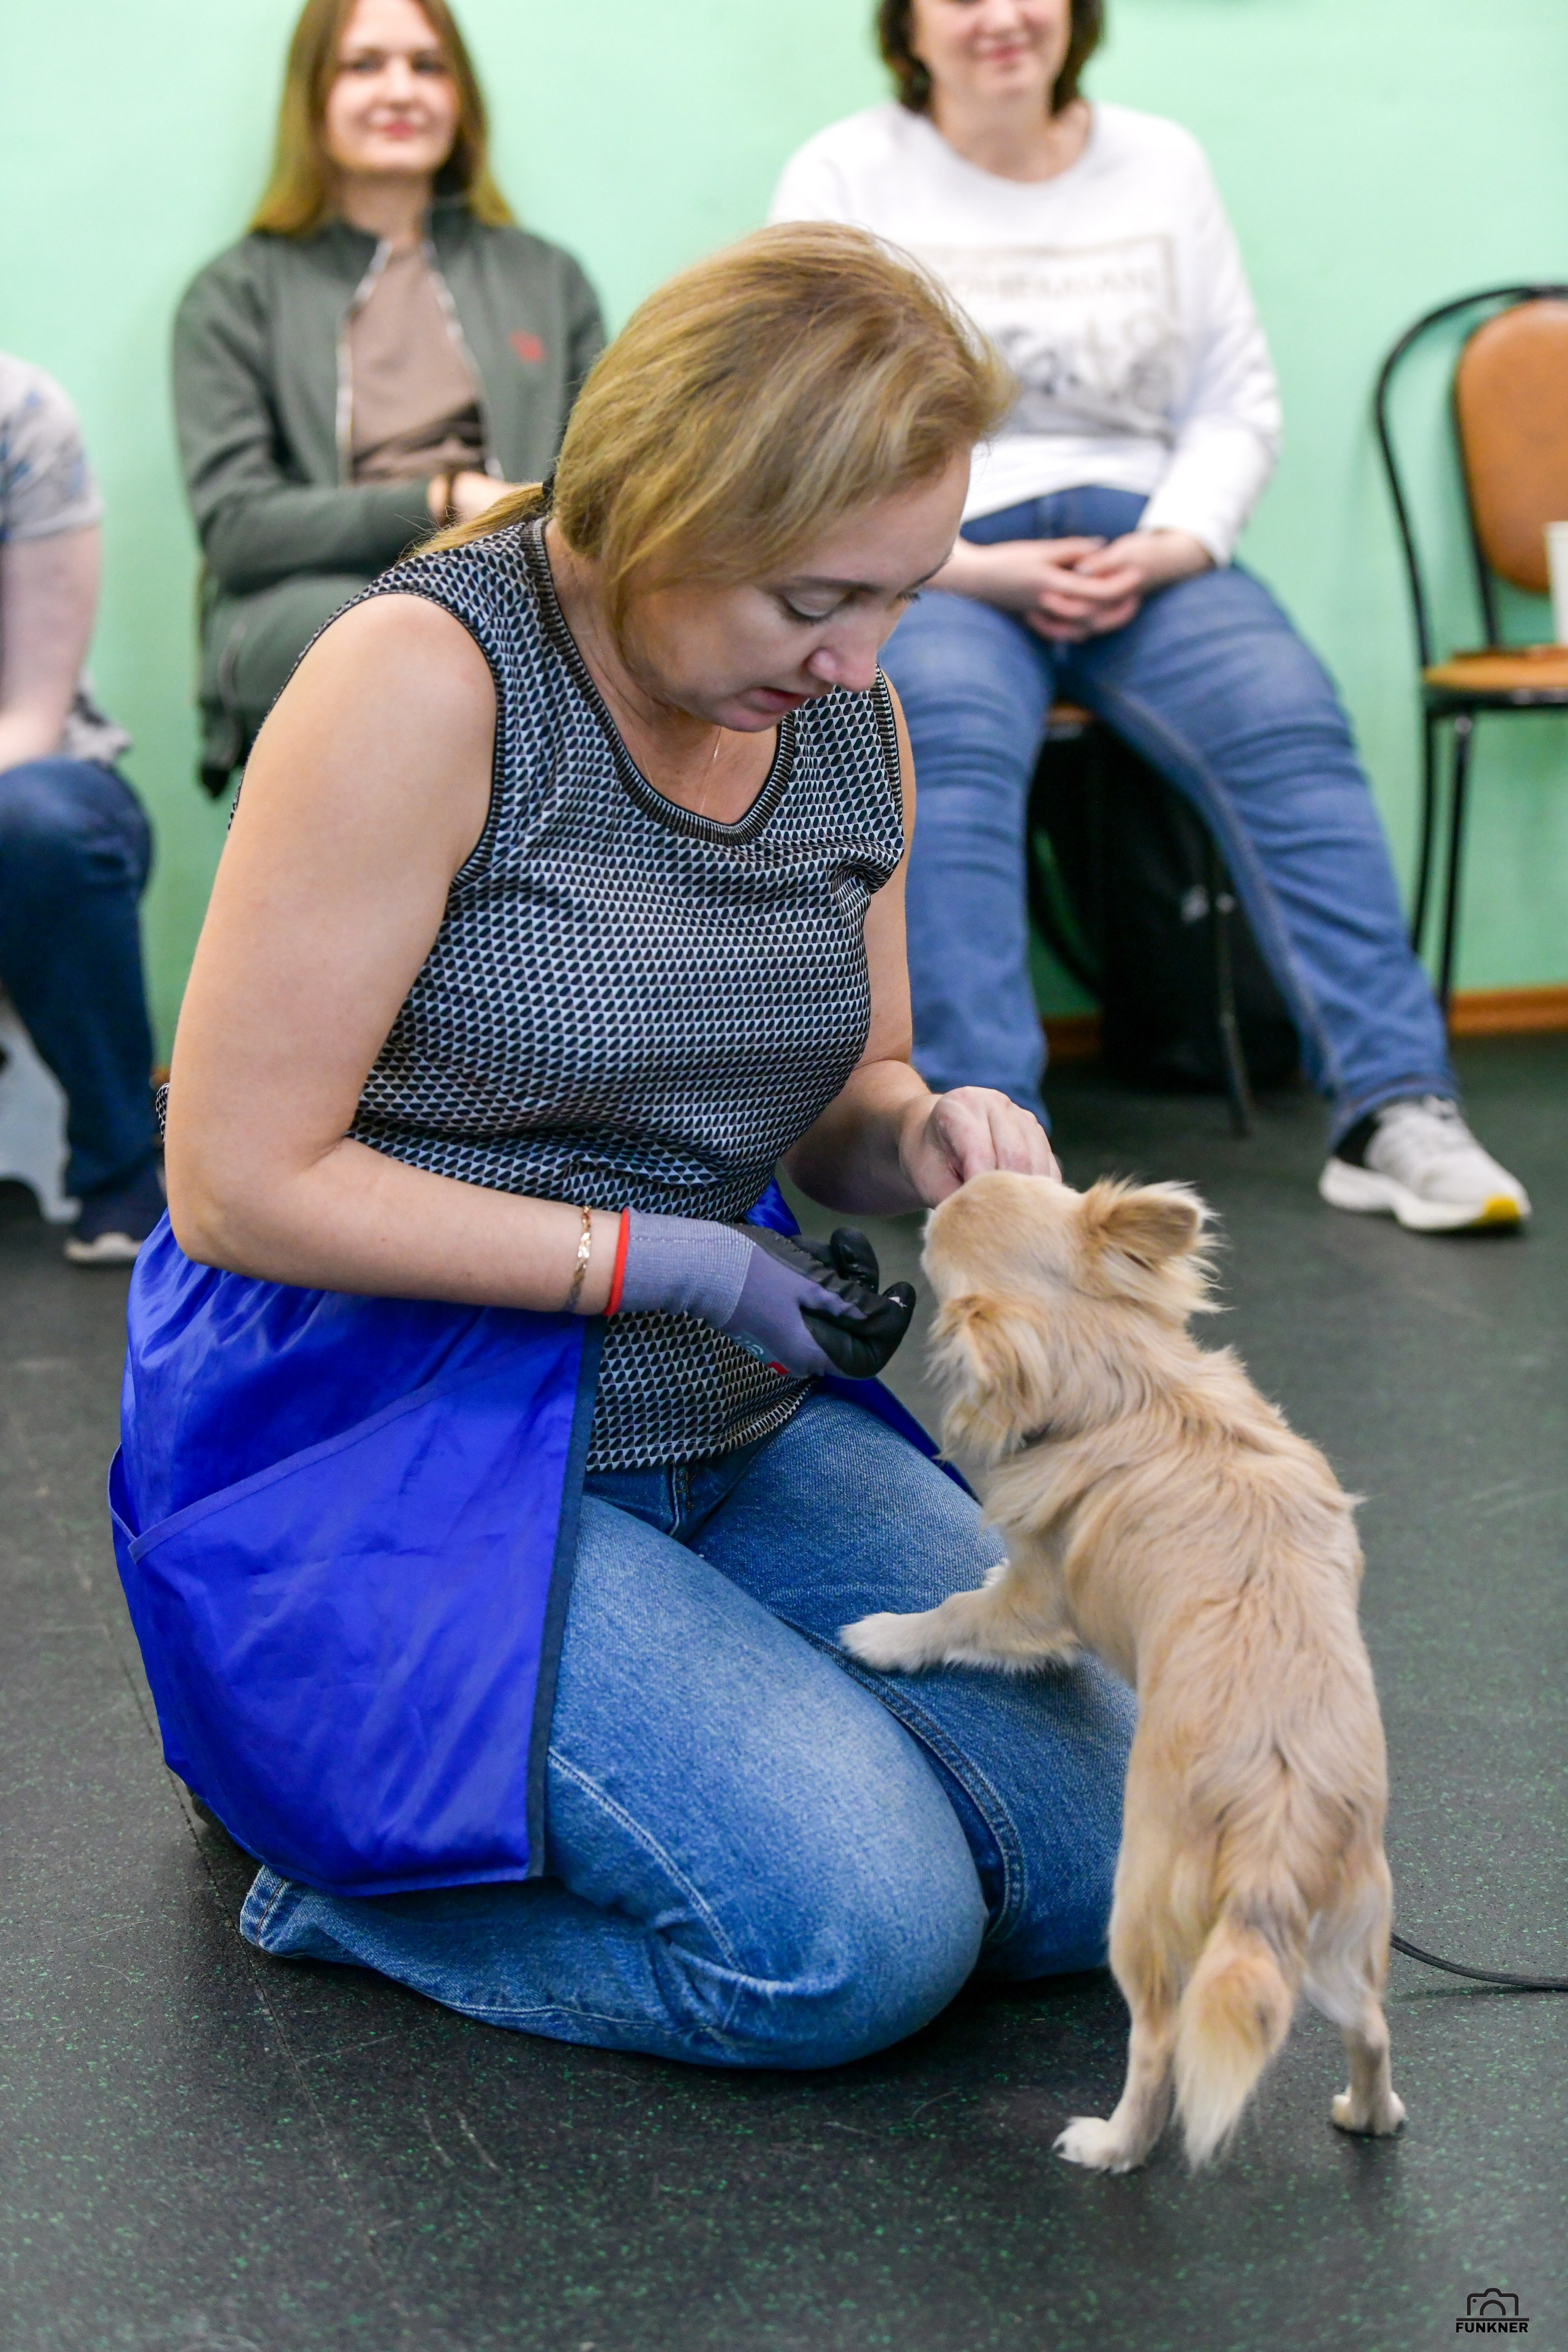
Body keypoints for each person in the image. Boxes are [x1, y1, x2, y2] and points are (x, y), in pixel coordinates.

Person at [112, 225, 1136, 2069]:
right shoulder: (425, 678)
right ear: (661, 511)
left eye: (901, 597)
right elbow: (237, 1179)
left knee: (1103, 1867)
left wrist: (932, 1137)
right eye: (817, 598)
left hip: (706, 1393)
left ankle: (658, 1769)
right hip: (388, 1418)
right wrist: (658, 1255)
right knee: (856, 1944)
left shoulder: (851, 720)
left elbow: (850, 1094)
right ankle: (328, 1863)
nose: (860, 659)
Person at [770, 0, 1531, 1235]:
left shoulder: (1161, 162)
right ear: (905, 24)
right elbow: (814, 410)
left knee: (1288, 725)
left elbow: (1233, 401)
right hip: (946, 557)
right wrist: (957, 564)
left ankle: (1394, 1109)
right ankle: (990, 1159)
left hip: (1148, 544)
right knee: (941, 760)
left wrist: (1171, 543)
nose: (1000, 16)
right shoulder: (846, 170)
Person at [173, 0, 605, 794]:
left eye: (428, 65)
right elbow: (237, 529)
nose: (401, 90)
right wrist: (446, 499)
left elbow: (605, 481)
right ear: (314, 97)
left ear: (461, 99)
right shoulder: (235, 293)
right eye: (364, 65)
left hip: (522, 572)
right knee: (409, 633)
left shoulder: (547, 278)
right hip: (313, 599)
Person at [0, 355, 162, 1263]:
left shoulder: (20, 414)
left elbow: (33, 713)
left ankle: (123, 1169)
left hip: (32, 781)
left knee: (36, 826)